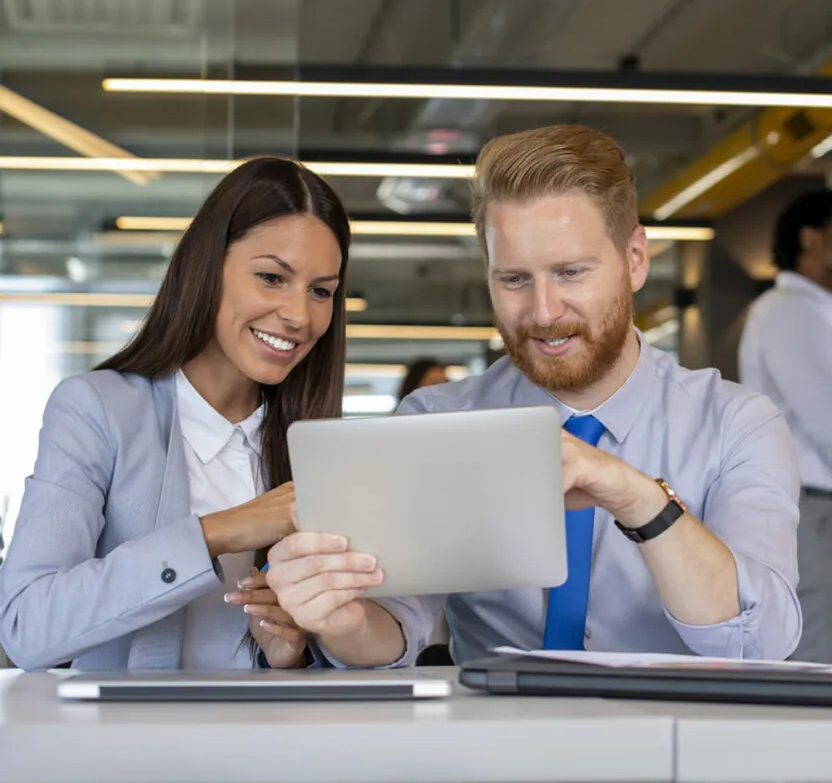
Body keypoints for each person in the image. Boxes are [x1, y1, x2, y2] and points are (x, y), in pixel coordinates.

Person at [260, 124, 802, 666]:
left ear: (635, 258)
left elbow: (760, 643)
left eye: (570, 273)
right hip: (492, 740)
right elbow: (396, 630)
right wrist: (343, 622)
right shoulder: (437, 420)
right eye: (515, 280)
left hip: (677, 740)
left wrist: (637, 498)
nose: (543, 313)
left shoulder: (737, 424)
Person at [0, 156, 351, 671]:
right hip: (130, 749)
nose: (300, 315)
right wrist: (218, 532)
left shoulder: (317, 444)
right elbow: (26, 628)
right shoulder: (98, 410)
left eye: (321, 291)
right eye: (272, 277)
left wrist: (287, 656)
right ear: (208, 267)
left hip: (271, 745)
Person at [739, 189, 832, 663]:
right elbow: (827, 416)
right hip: (813, 504)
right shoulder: (790, 311)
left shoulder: (812, 309)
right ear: (810, 239)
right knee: (817, 640)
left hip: (819, 504)